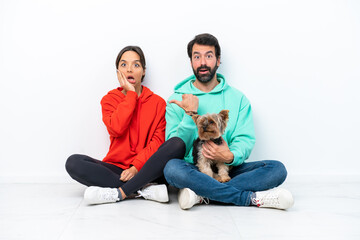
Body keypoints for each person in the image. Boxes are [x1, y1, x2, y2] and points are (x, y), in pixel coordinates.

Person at [163, 33, 294, 210]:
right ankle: (249, 198)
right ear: (191, 62)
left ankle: (202, 195)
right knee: (171, 168)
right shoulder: (176, 99)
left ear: (218, 60)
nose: (202, 62)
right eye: (197, 57)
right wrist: (189, 114)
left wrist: (229, 156)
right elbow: (171, 147)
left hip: (229, 167)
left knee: (277, 169)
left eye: (209, 56)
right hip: (192, 168)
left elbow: (244, 139)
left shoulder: (238, 99)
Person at [65, 46, 185, 204]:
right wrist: (131, 95)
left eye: (136, 65)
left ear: (143, 71)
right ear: (117, 72)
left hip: (147, 168)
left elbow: (157, 142)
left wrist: (136, 168)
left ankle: (121, 192)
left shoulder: (158, 103)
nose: (129, 69)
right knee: (73, 162)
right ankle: (144, 189)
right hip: (116, 168)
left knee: (177, 144)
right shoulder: (109, 100)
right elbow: (116, 128)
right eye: (123, 65)